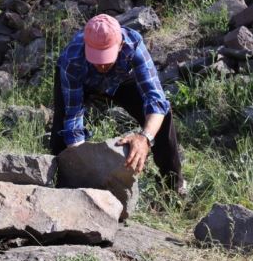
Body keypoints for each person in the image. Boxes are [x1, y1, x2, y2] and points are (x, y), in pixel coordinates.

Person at [49, 13, 186, 195]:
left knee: (162, 119)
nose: (101, 65)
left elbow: (156, 101)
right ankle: (61, 188)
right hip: (83, 80)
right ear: (86, 47)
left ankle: (173, 188)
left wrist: (145, 138)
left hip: (121, 80)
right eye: (96, 58)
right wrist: (83, 164)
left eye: (106, 58)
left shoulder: (133, 45)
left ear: (120, 45)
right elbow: (73, 118)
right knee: (61, 135)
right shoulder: (72, 59)